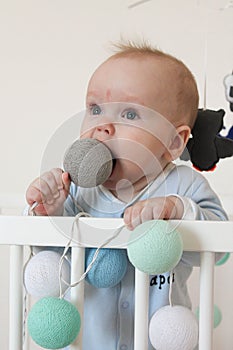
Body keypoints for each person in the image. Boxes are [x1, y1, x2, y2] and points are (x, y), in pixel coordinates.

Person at [26, 40, 228, 350]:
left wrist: (177, 210)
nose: (102, 126)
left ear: (174, 142)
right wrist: (50, 211)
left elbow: (218, 243)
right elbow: (54, 260)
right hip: (84, 342)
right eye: (95, 109)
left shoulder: (186, 185)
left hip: (160, 342)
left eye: (130, 114)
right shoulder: (77, 189)